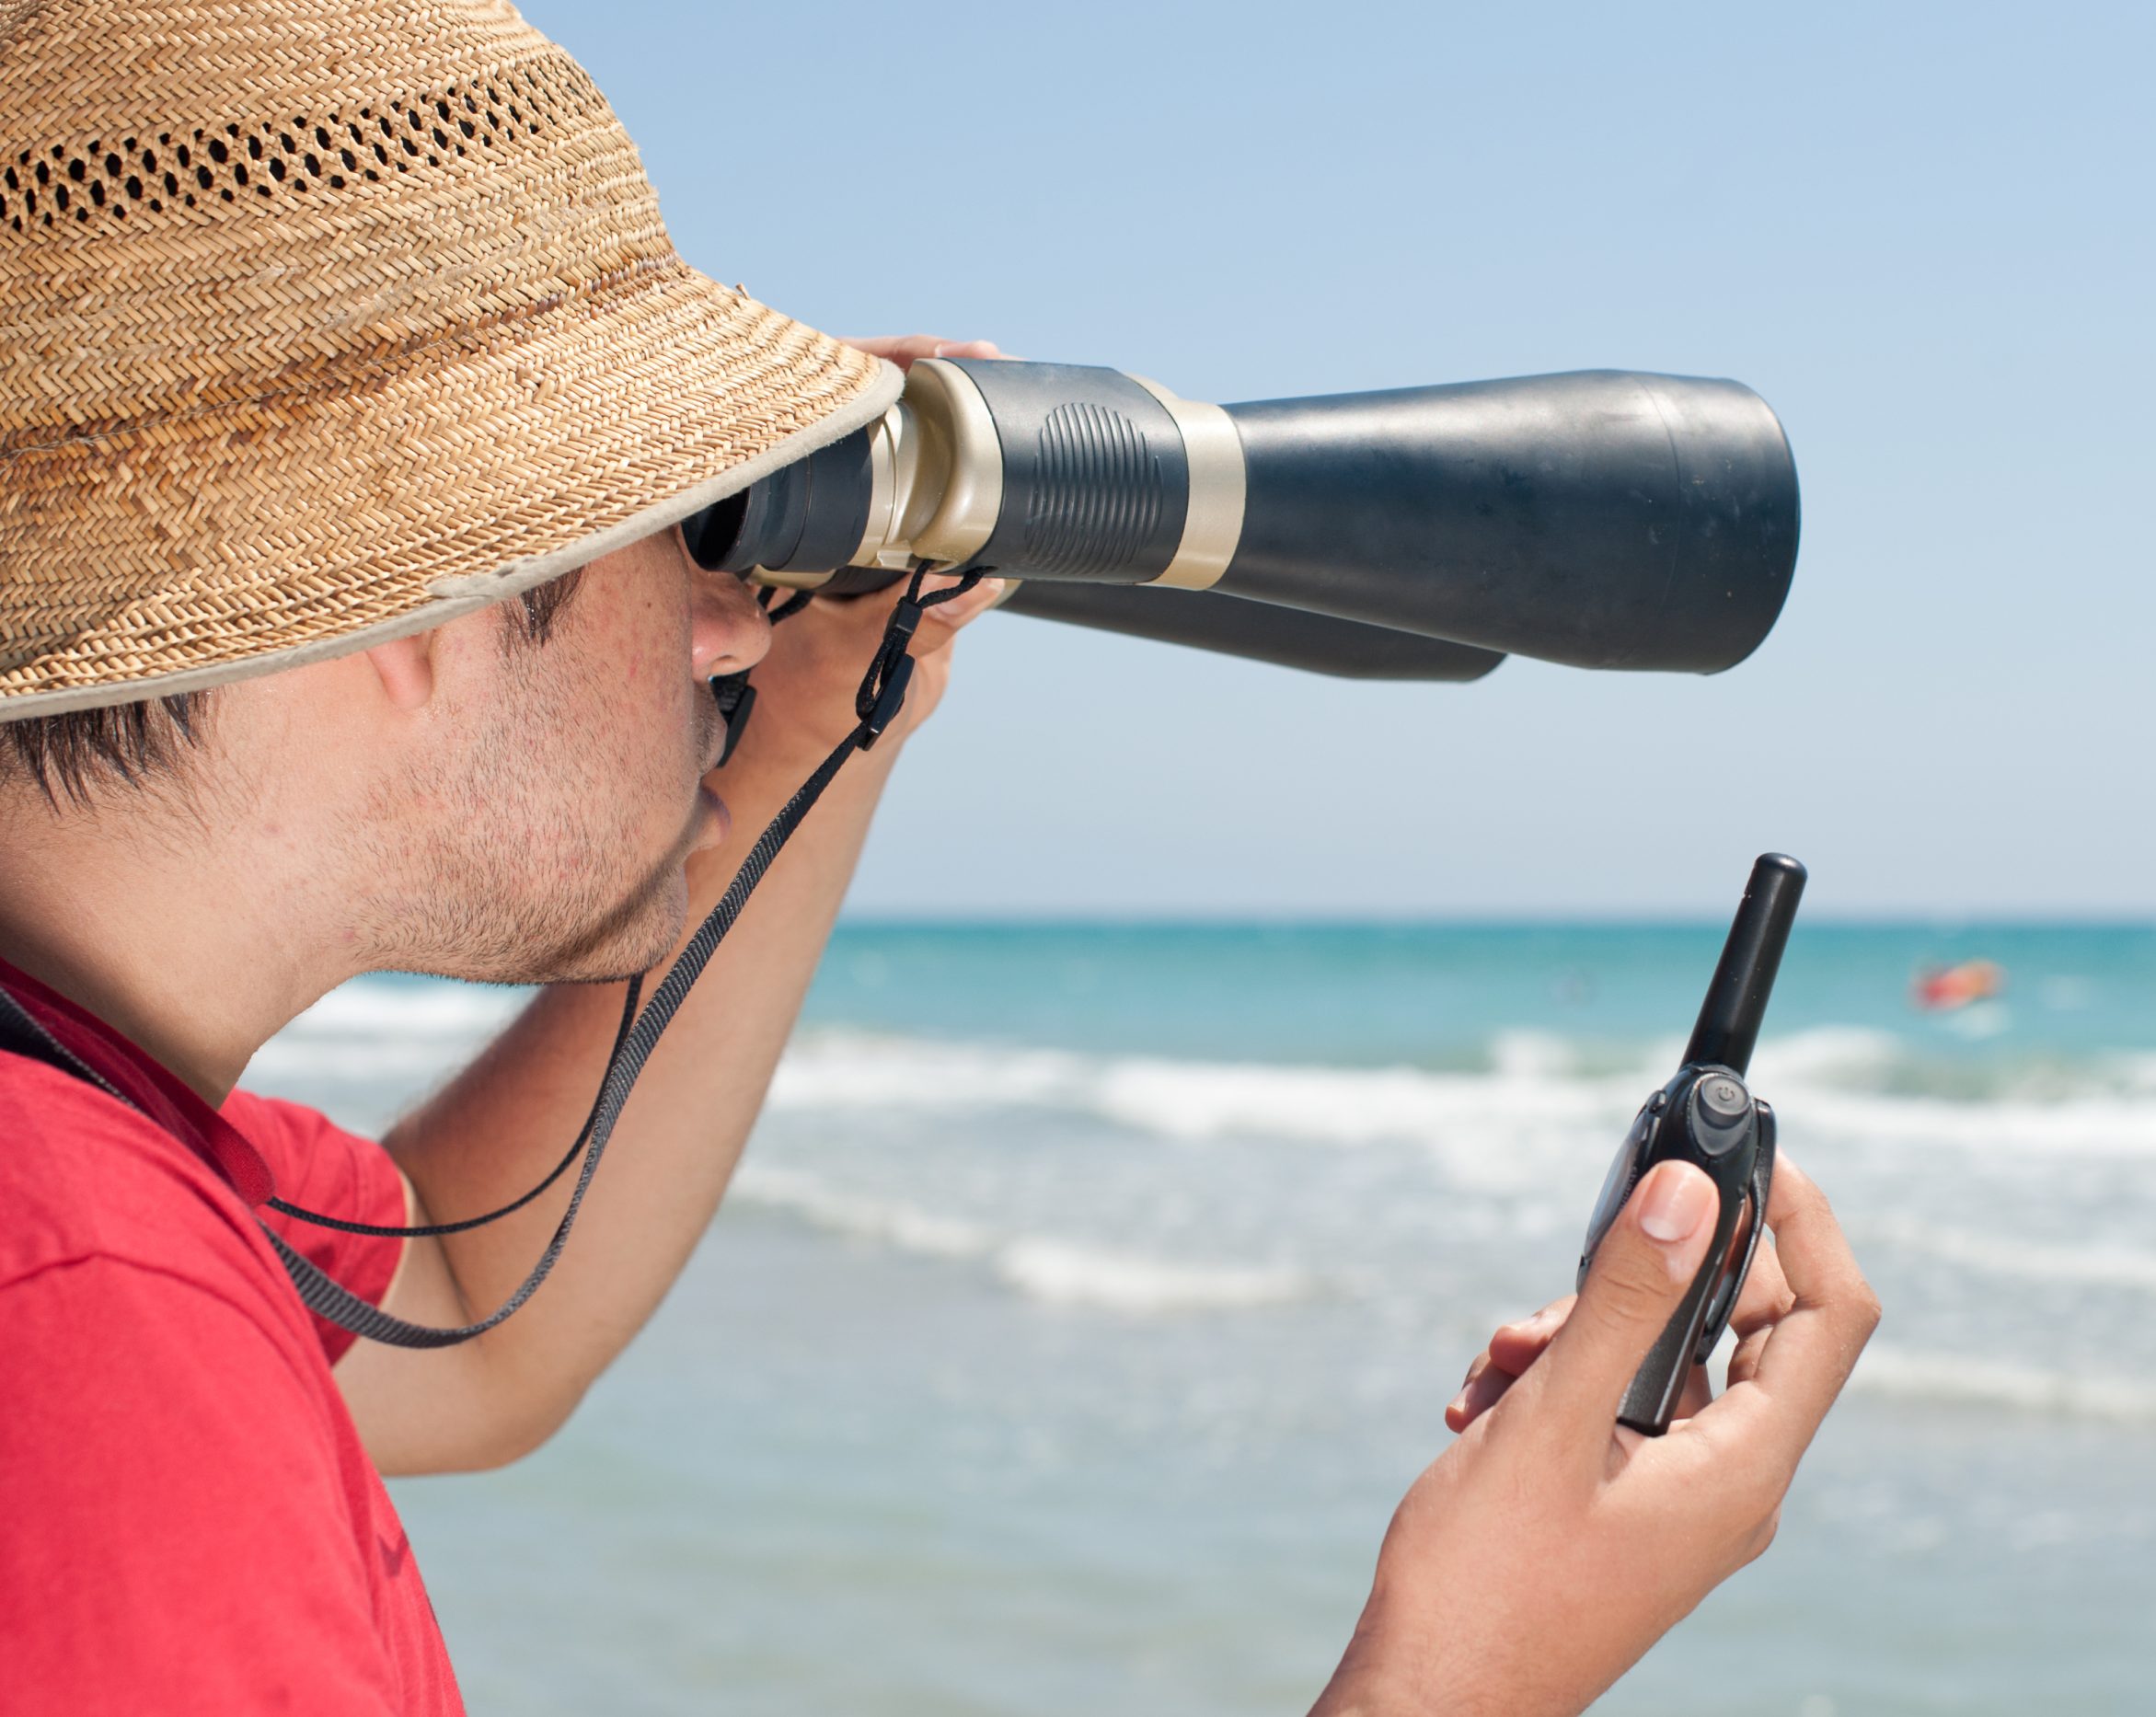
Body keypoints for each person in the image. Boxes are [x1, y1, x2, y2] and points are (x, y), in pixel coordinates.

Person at [0, 2, 1880, 1711]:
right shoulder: (87, 1354)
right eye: (661, 528)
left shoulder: (96, 1145)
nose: (724, 623)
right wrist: (1457, 1675)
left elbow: (469, 1319)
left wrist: (836, 704)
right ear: (400, 609)